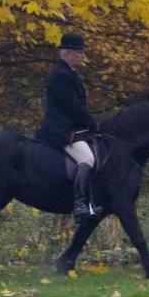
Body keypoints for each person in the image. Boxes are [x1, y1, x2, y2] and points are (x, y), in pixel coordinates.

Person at [35, 33, 101, 220]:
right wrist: (91, 123)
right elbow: (72, 106)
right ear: (69, 53)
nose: (82, 56)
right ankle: (80, 204)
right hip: (61, 129)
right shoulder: (61, 75)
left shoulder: (68, 72)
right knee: (87, 158)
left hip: (71, 127)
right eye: (79, 52)